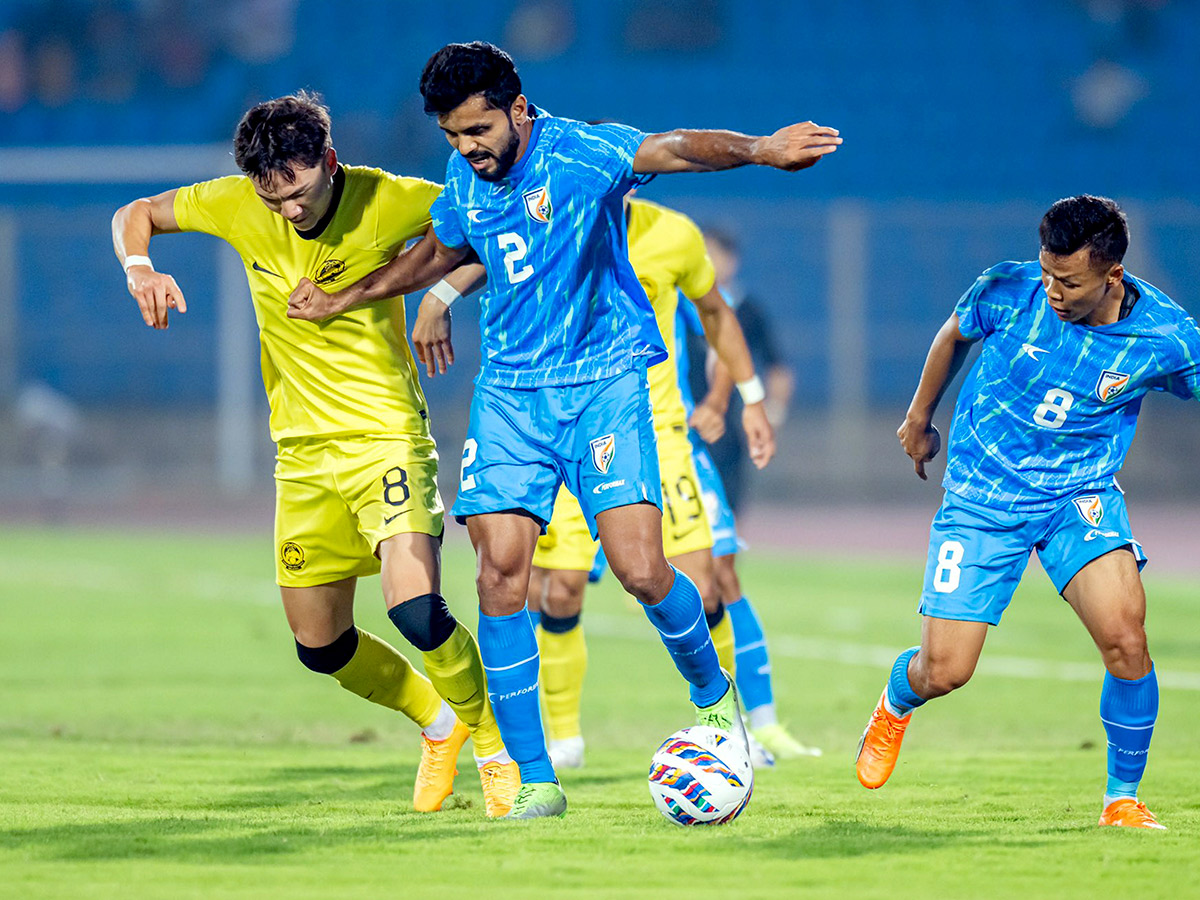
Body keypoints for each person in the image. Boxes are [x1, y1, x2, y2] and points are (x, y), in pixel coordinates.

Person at [285, 41, 841, 818]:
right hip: (511, 397)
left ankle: (716, 699)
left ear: (517, 109)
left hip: (605, 385)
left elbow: (674, 148)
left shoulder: (584, 150)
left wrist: (760, 150)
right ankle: (535, 779)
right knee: (498, 575)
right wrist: (351, 296)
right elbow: (440, 252)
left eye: (477, 130)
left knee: (643, 569)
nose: (467, 148)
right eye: (452, 136)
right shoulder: (464, 176)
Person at [110, 92, 519, 818]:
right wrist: (139, 267)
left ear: (329, 161)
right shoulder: (238, 203)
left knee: (417, 609)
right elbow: (135, 211)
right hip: (300, 457)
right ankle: (440, 721)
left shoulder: (388, 199)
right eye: (274, 200)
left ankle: (496, 748)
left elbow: (492, 229)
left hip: (387, 436)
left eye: (299, 192)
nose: (289, 212)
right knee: (320, 647)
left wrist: (441, 296)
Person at [854, 195, 1200, 830]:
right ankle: (898, 699)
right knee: (947, 670)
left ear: (1112, 274)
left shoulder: (1166, 338)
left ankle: (1121, 798)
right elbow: (953, 334)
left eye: (1067, 281)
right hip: (984, 498)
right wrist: (918, 417)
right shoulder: (1009, 289)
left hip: (1078, 495)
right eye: (1047, 273)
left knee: (1127, 640)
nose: (1053, 290)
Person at [524, 194, 775, 771]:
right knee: (558, 587)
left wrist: (736, 398)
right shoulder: (548, 232)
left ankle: (729, 724)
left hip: (659, 435)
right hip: (575, 434)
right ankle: (565, 738)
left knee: (705, 587)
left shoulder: (670, 237)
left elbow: (715, 318)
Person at [679, 296, 822, 760]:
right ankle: (548, 744)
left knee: (719, 579)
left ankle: (750, 727)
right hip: (587, 439)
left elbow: (723, 330)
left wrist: (720, 401)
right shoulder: (575, 260)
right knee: (550, 589)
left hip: (675, 449)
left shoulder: (661, 254)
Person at [699, 228, 795, 515]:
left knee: (727, 518)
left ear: (732, 260)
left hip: (729, 431)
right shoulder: (678, 302)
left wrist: (772, 412)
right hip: (680, 423)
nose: (706, 262)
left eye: (713, 254)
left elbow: (778, 367)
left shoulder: (748, 311)